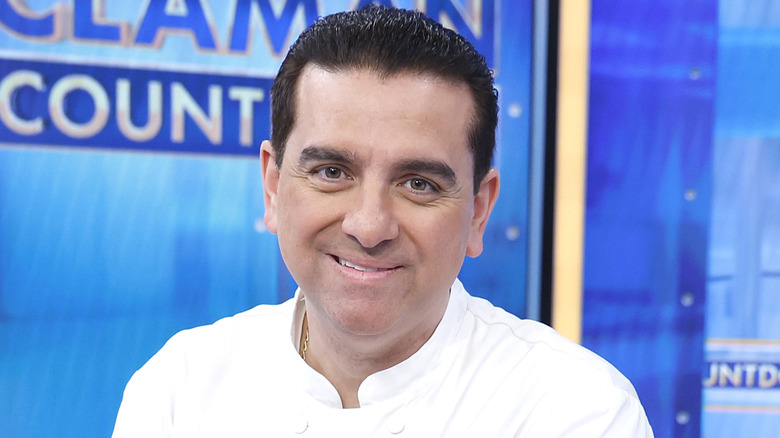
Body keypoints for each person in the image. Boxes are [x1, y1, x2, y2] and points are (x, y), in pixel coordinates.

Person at [113, 6, 653, 437]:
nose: (369, 227)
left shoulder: (576, 411)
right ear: (274, 187)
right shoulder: (180, 387)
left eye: (418, 184)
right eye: (331, 171)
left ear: (479, 211)